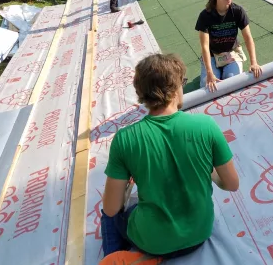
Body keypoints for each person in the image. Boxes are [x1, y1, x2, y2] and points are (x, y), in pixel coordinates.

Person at [100, 53, 240, 259]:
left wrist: (125, 192)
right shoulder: (206, 126)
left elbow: (111, 208)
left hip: (153, 243)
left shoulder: (124, 139)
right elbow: (231, 184)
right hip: (199, 233)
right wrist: (210, 172)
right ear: (175, 88)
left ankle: (115, 258)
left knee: (109, 215)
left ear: (141, 93)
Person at [195, 0, 263, 92]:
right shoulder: (205, 15)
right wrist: (210, 73)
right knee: (207, 88)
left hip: (231, 53)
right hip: (212, 55)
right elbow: (205, 47)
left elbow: (248, 38)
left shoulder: (238, 11)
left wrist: (254, 62)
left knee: (233, 83)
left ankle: (223, 70)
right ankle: (213, 70)